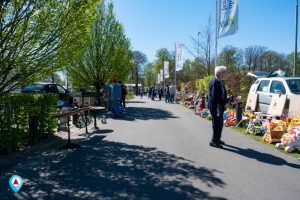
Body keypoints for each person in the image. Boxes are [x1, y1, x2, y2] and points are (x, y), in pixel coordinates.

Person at [208, 66, 229, 149]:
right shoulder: (214, 82)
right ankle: (213, 141)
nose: (226, 74)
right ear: (220, 73)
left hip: (219, 107)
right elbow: (215, 97)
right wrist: (224, 103)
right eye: (225, 72)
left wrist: (226, 101)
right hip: (215, 107)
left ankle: (217, 139)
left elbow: (223, 93)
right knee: (216, 124)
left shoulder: (220, 81)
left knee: (220, 124)